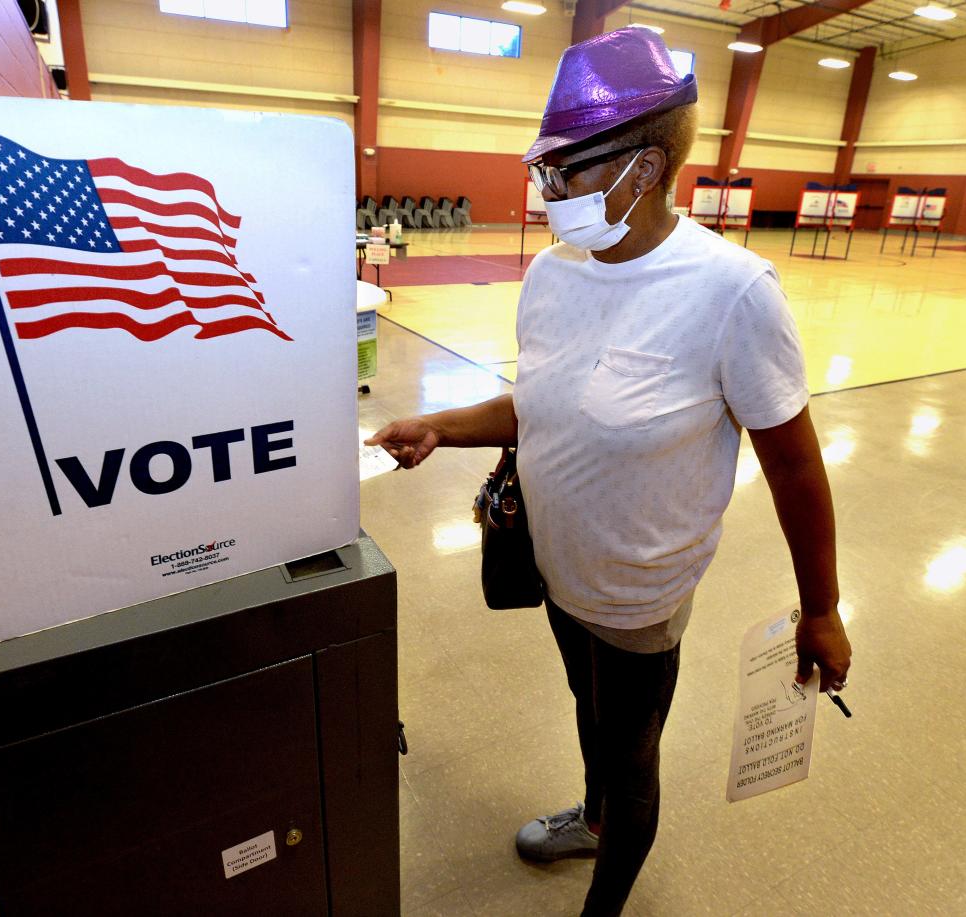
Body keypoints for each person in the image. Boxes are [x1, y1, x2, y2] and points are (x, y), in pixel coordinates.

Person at [364, 27, 852, 917]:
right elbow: (541, 403)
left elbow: (796, 468)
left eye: (569, 170)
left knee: (631, 751)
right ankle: (593, 816)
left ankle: (607, 889)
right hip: (560, 565)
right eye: (544, 169)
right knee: (586, 710)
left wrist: (821, 609)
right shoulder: (554, 275)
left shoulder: (732, 291)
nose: (550, 192)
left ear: (649, 165)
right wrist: (440, 425)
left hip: (639, 593)